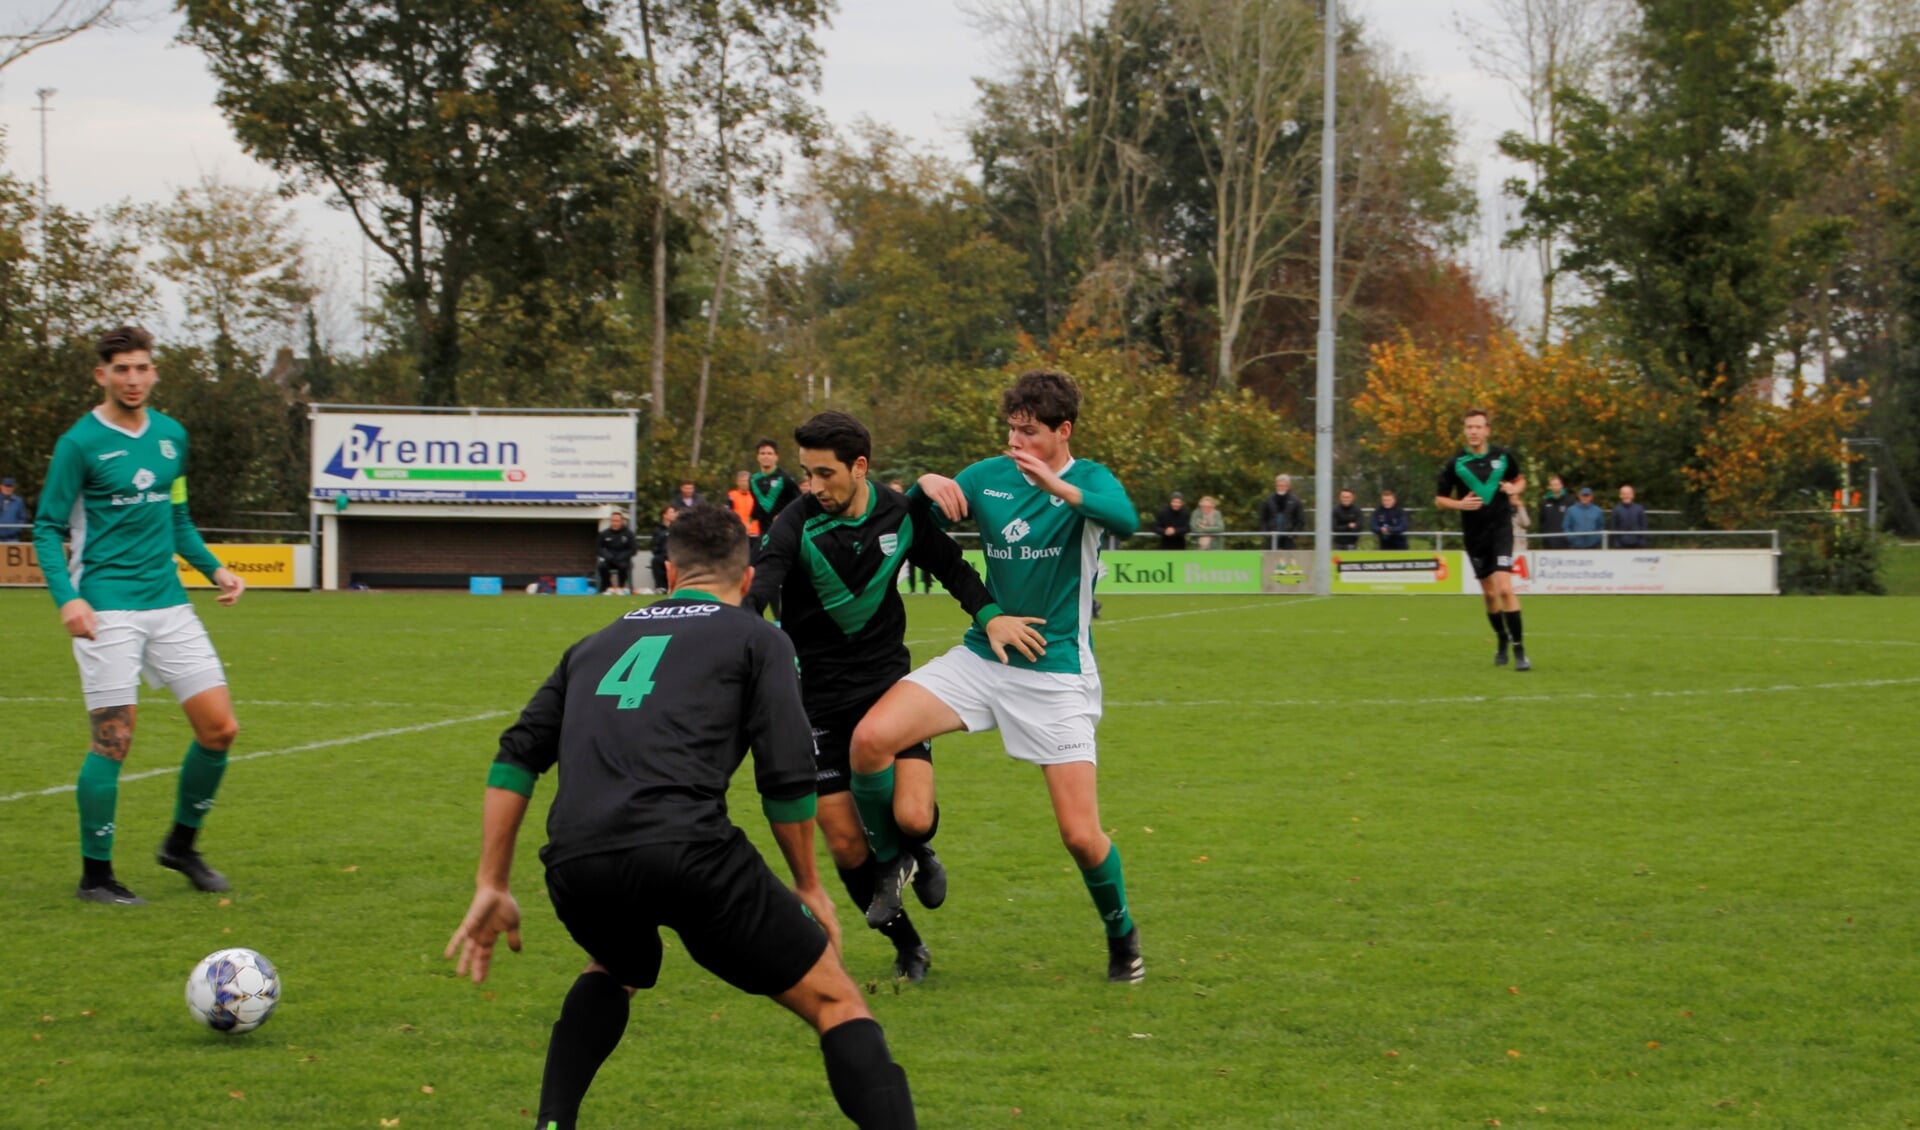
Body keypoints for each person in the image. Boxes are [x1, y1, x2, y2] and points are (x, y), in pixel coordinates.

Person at [444, 506, 917, 1130]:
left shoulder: (591, 646)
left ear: (668, 571)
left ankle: (552, 1123)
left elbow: (514, 760)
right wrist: (807, 883)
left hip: (577, 860)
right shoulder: (758, 637)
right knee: (835, 999)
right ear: (746, 581)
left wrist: (491, 881)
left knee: (615, 967)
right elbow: (784, 773)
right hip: (687, 850)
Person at [849, 369, 1146, 984]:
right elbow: (912, 514)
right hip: (984, 657)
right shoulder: (988, 476)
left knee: (1081, 837)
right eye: (1012, 431)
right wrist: (925, 486)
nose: (1018, 445)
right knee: (871, 741)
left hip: (1056, 675)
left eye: (1031, 433)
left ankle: (1122, 935)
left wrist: (1058, 487)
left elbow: (1126, 519)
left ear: (1063, 432)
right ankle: (896, 860)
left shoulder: (1087, 481)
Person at [751, 411, 1041, 984]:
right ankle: (907, 945)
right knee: (843, 842)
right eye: (806, 474)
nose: (813, 487)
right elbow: (760, 589)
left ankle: (915, 850)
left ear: (860, 467)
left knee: (912, 815)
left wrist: (993, 617)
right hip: (817, 701)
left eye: (825, 474)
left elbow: (952, 567)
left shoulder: (900, 513)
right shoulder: (793, 523)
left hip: (890, 690)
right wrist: (723, 641)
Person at [33, 325, 247, 906]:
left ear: (155, 372)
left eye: (142, 368)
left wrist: (214, 569)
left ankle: (181, 846)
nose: (133, 379)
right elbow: (48, 528)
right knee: (113, 740)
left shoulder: (172, 437)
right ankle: (95, 877)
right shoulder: (79, 443)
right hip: (107, 606)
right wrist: (67, 599)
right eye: (121, 369)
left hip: (169, 605)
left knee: (220, 729)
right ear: (101, 374)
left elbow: (177, 519)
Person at [1435, 407, 1531, 672]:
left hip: (1501, 530)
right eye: (1469, 427)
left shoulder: (1502, 457)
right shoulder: (1456, 463)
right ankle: (1501, 638)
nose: (1474, 431)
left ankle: (1519, 649)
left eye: (1478, 427)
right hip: (1475, 535)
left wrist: (1514, 488)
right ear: (1465, 431)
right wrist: (1459, 504)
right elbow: (1439, 500)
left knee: (1504, 589)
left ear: (1487, 430)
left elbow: (1519, 480)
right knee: (1489, 595)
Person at [595, 511, 637, 596]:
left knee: (623, 566)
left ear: (621, 521)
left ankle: (621, 588)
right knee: (602, 566)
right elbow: (598, 548)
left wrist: (622, 556)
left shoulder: (628, 533)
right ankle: (606, 588)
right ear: (610, 521)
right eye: (613, 521)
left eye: (617, 521)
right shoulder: (604, 533)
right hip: (609, 559)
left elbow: (633, 549)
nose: (615, 523)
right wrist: (607, 555)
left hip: (623, 559)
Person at [1258, 474, 1305, 550]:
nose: (1280, 488)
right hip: (1272, 536)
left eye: (1283, 485)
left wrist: (1294, 534)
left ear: (1288, 487)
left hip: (1288, 537)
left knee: (1288, 559)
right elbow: (1262, 518)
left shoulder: (1295, 501)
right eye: (1278, 486)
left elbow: (1300, 520)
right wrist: (1266, 532)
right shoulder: (1269, 500)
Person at [647, 505, 677, 594]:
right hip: (663, 556)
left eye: (674, 512)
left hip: (675, 555)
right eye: (671, 512)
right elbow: (655, 545)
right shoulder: (657, 530)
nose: (673, 514)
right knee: (656, 561)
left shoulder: (677, 528)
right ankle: (660, 587)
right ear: (665, 515)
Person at [1538, 475, 1571, 547]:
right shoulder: (1545, 502)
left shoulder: (1569, 501)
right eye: (1553, 485)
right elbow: (1542, 521)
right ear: (1550, 487)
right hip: (1549, 542)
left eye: (1557, 484)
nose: (1555, 487)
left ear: (1561, 485)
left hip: (1566, 542)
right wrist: (1545, 536)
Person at [727, 470, 759, 537]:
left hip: (754, 532)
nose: (744, 483)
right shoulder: (732, 495)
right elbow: (729, 513)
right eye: (742, 481)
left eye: (746, 481)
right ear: (737, 482)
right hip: (738, 533)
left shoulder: (756, 495)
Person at [0, 476, 29, 541]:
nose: (8, 489)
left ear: (13, 488)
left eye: (10, 486)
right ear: (1, 487)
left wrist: (16, 529)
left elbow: (23, 518)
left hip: (13, 538)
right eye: (6, 486)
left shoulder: (18, 501)